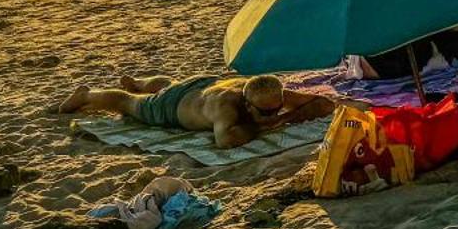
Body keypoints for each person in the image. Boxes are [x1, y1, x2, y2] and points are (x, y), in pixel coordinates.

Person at [55, 72, 337, 149]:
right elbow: (224, 140)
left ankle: (142, 81)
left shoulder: (267, 94)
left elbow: (325, 104)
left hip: (201, 85)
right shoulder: (226, 108)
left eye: (275, 108)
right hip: (174, 107)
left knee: (169, 84)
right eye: (265, 112)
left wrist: (287, 115)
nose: (272, 115)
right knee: (129, 103)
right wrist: (262, 126)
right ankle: (87, 94)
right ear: (248, 104)